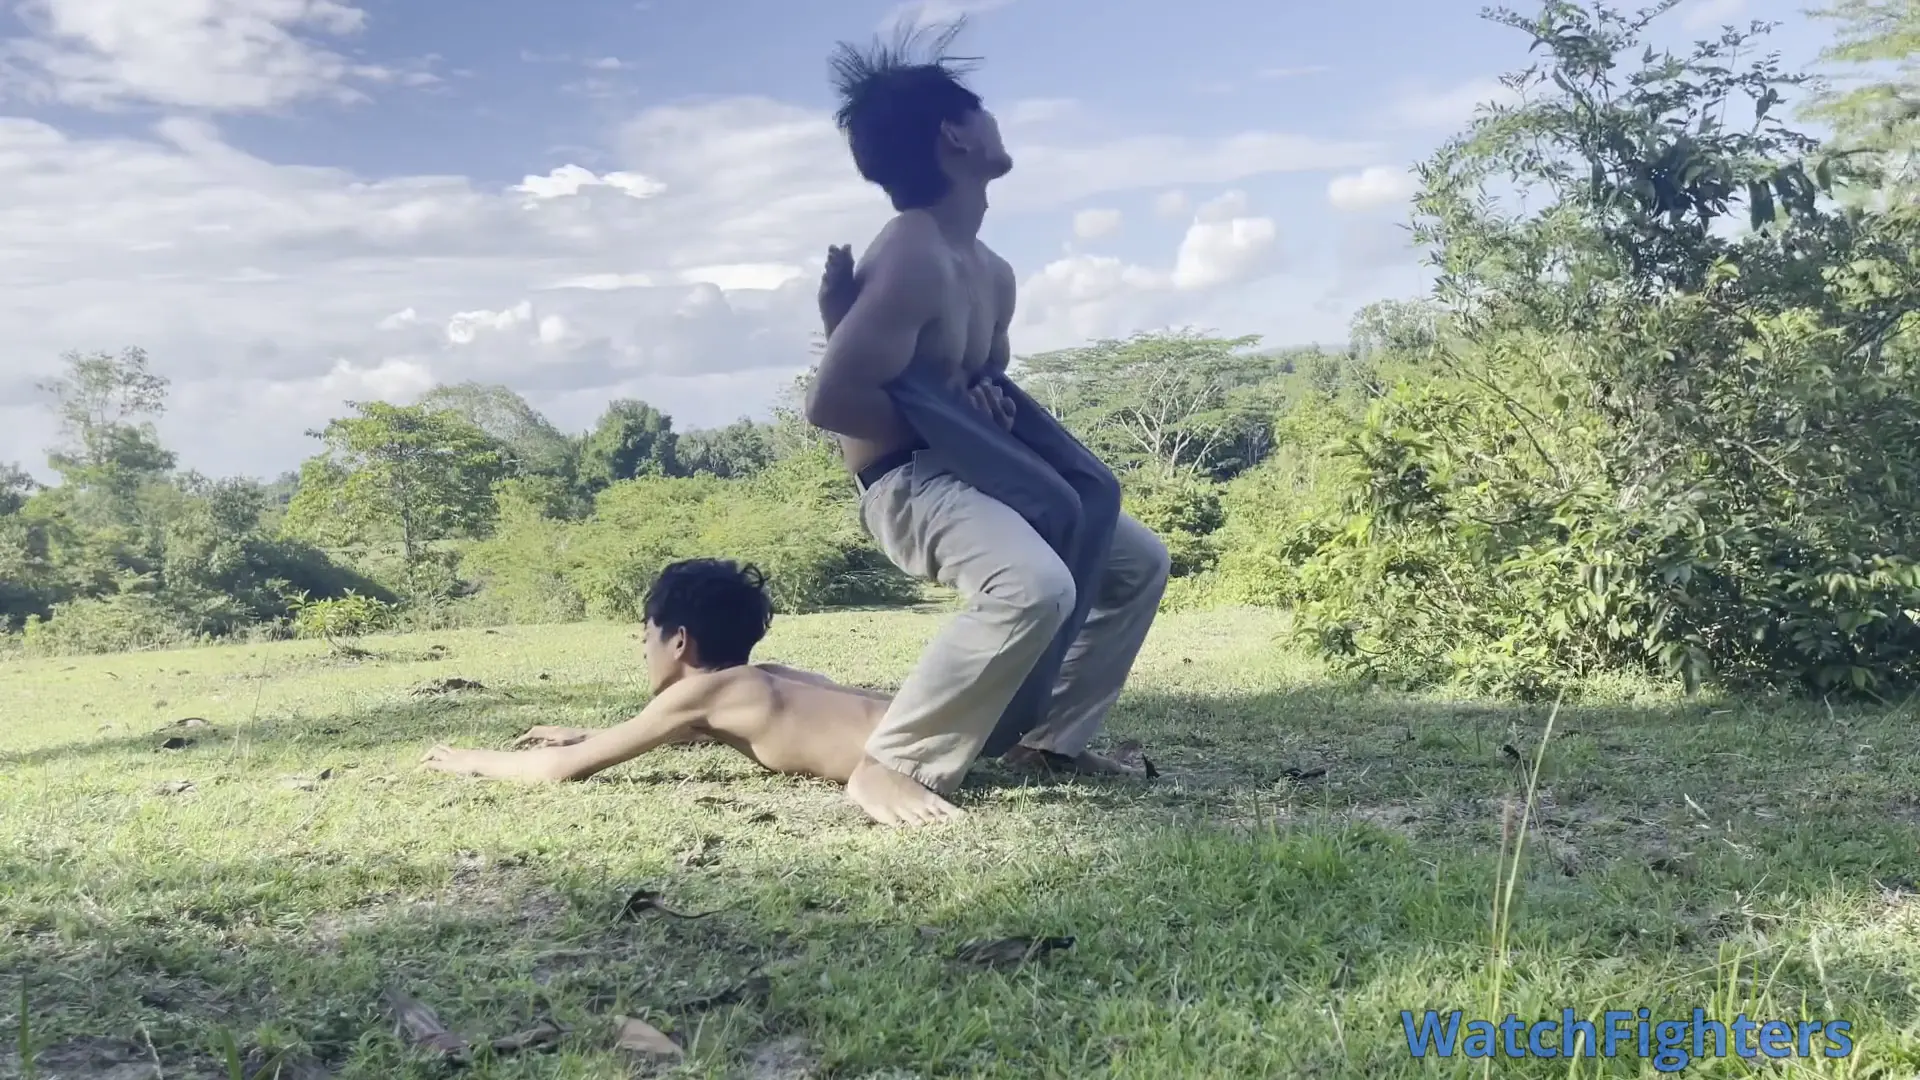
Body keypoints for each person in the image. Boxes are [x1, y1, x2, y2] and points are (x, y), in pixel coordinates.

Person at [804, 25, 1172, 828]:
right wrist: (946, 427)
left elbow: (971, 387)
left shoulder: (991, 271)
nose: (997, 123)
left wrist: (985, 417)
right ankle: (890, 764)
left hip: (979, 470)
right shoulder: (912, 252)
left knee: (1139, 563)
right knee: (1034, 587)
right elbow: (832, 402)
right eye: (983, 111)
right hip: (908, 482)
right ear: (956, 134)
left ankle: (1051, 744)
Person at [419, 559, 891, 786]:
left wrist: (473, 759)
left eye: (647, 637)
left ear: (679, 641)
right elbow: (687, 732)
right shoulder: (765, 678)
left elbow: (558, 770)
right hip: (912, 722)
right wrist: (587, 734)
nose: (643, 650)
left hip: (909, 759)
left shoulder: (703, 695)